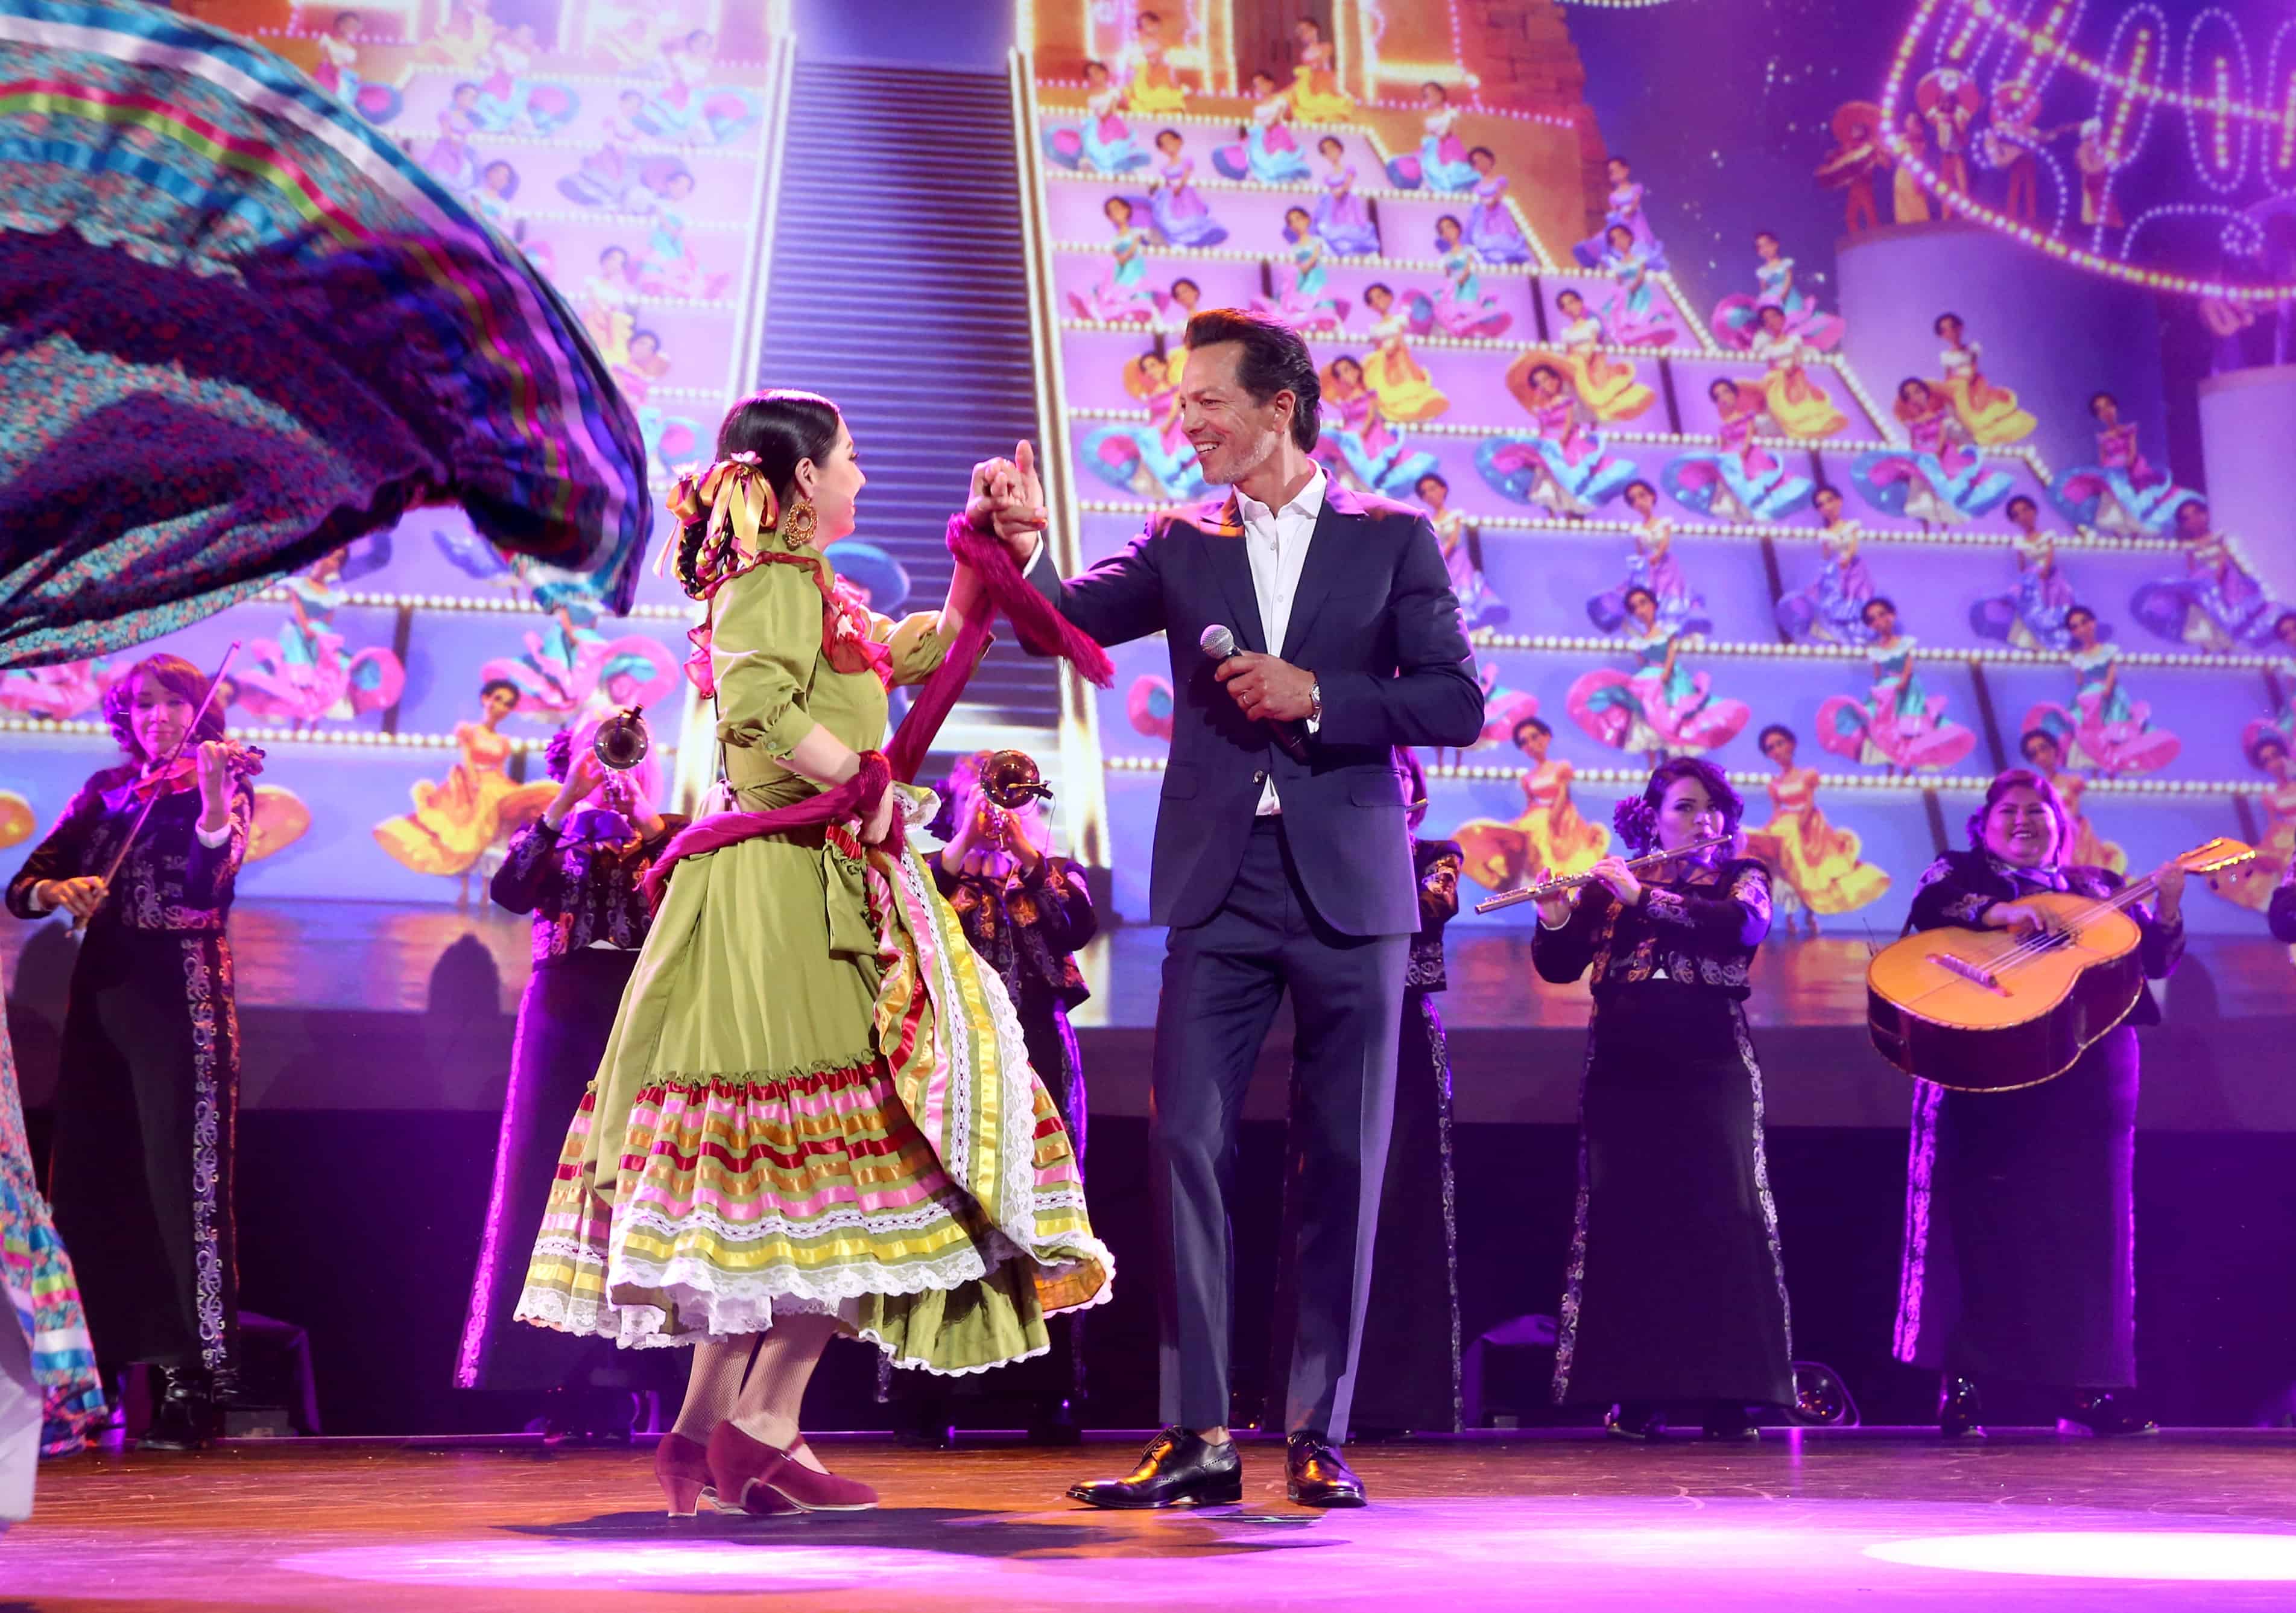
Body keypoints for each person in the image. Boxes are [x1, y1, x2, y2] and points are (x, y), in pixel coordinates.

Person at [512, 391, 1110, 1517]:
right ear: (796, 484)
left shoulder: (808, 586)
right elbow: (753, 708)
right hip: (780, 887)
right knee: (873, 1155)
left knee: (794, 1175)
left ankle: (704, 1431)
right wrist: (863, 781)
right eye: (850, 458)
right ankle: (764, 1422)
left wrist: (988, 552)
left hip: (811, 875)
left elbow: (917, 652)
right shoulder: (768, 583)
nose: (862, 477)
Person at [988, 309, 1484, 1507]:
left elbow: (1454, 700)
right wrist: (1022, 546)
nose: (1188, 420)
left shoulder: (1393, 538)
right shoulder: (1178, 541)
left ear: (1279, 407)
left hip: (1352, 891)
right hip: (1220, 887)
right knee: (1184, 1145)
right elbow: (1060, 621)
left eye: (1207, 400)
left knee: (1343, 1158)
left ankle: (1317, 1429)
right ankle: (1198, 1430)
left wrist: (1320, 694)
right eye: (1182, 403)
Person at [5, 654, 255, 1450]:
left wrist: (214, 803)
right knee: (88, 1179)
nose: (156, 718)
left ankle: (192, 1378)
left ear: (197, 711)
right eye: (141, 705)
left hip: (181, 1002)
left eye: (172, 703)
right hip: (102, 1002)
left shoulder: (225, 784)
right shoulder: (107, 791)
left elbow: (206, 887)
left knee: (179, 1185)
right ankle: (97, 1369)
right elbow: (21, 886)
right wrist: (61, 891)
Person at [1893, 769, 2184, 1438]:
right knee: (1981, 1224)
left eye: (2039, 810)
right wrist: (2004, 913)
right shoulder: (1960, 870)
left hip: (2088, 1072)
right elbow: (1934, 904)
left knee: (2086, 1231)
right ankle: (1964, 1385)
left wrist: (2166, 906)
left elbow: (2156, 961)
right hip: (1987, 1069)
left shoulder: (2097, 887)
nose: (2024, 820)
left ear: (2063, 824)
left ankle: (2088, 1388)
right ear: (1984, 823)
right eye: (2008, 810)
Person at [1528, 758, 1793, 1440]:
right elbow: (1559, 965)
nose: (1704, 820)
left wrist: (1640, 896)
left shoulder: (1745, 875)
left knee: (1722, 1216)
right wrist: (1556, 915)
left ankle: (1729, 1394)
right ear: (1654, 817)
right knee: (1630, 1222)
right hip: (1623, 1069)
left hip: (1709, 1066)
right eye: (1685, 807)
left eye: (1713, 809)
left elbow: (1740, 927)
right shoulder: (1614, 885)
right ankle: (1636, 1391)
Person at [453, 727, 684, 1439]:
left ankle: (639, 1372)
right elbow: (509, 890)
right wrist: (566, 803)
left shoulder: (668, 830)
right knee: (543, 1184)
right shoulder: (548, 834)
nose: (616, 758)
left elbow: (691, 901)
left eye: (626, 746)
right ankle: (548, 1374)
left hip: (645, 1008)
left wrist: (643, 816)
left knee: (642, 1184)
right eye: (603, 747)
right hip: (560, 1013)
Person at [895, 750, 1099, 1443]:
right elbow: (902, 922)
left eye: (1012, 791)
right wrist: (964, 845)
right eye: (981, 790)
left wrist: (1023, 852)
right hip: (953, 1056)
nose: (998, 803)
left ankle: (1047, 1394)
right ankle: (927, 1391)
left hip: (1042, 1054)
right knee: (946, 1213)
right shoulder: (929, 871)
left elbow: (1076, 925)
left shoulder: (1053, 871)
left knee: (1042, 1214)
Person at [1271, 750, 1464, 1435]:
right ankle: (1306, 1403)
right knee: (1325, 1198)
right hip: (1335, 1026)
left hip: (1407, 1038)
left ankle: (1399, 1396)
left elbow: (1434, 904)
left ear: (1412, 794)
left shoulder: (1436, 855)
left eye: (1397, 780)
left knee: (1402, 1206)